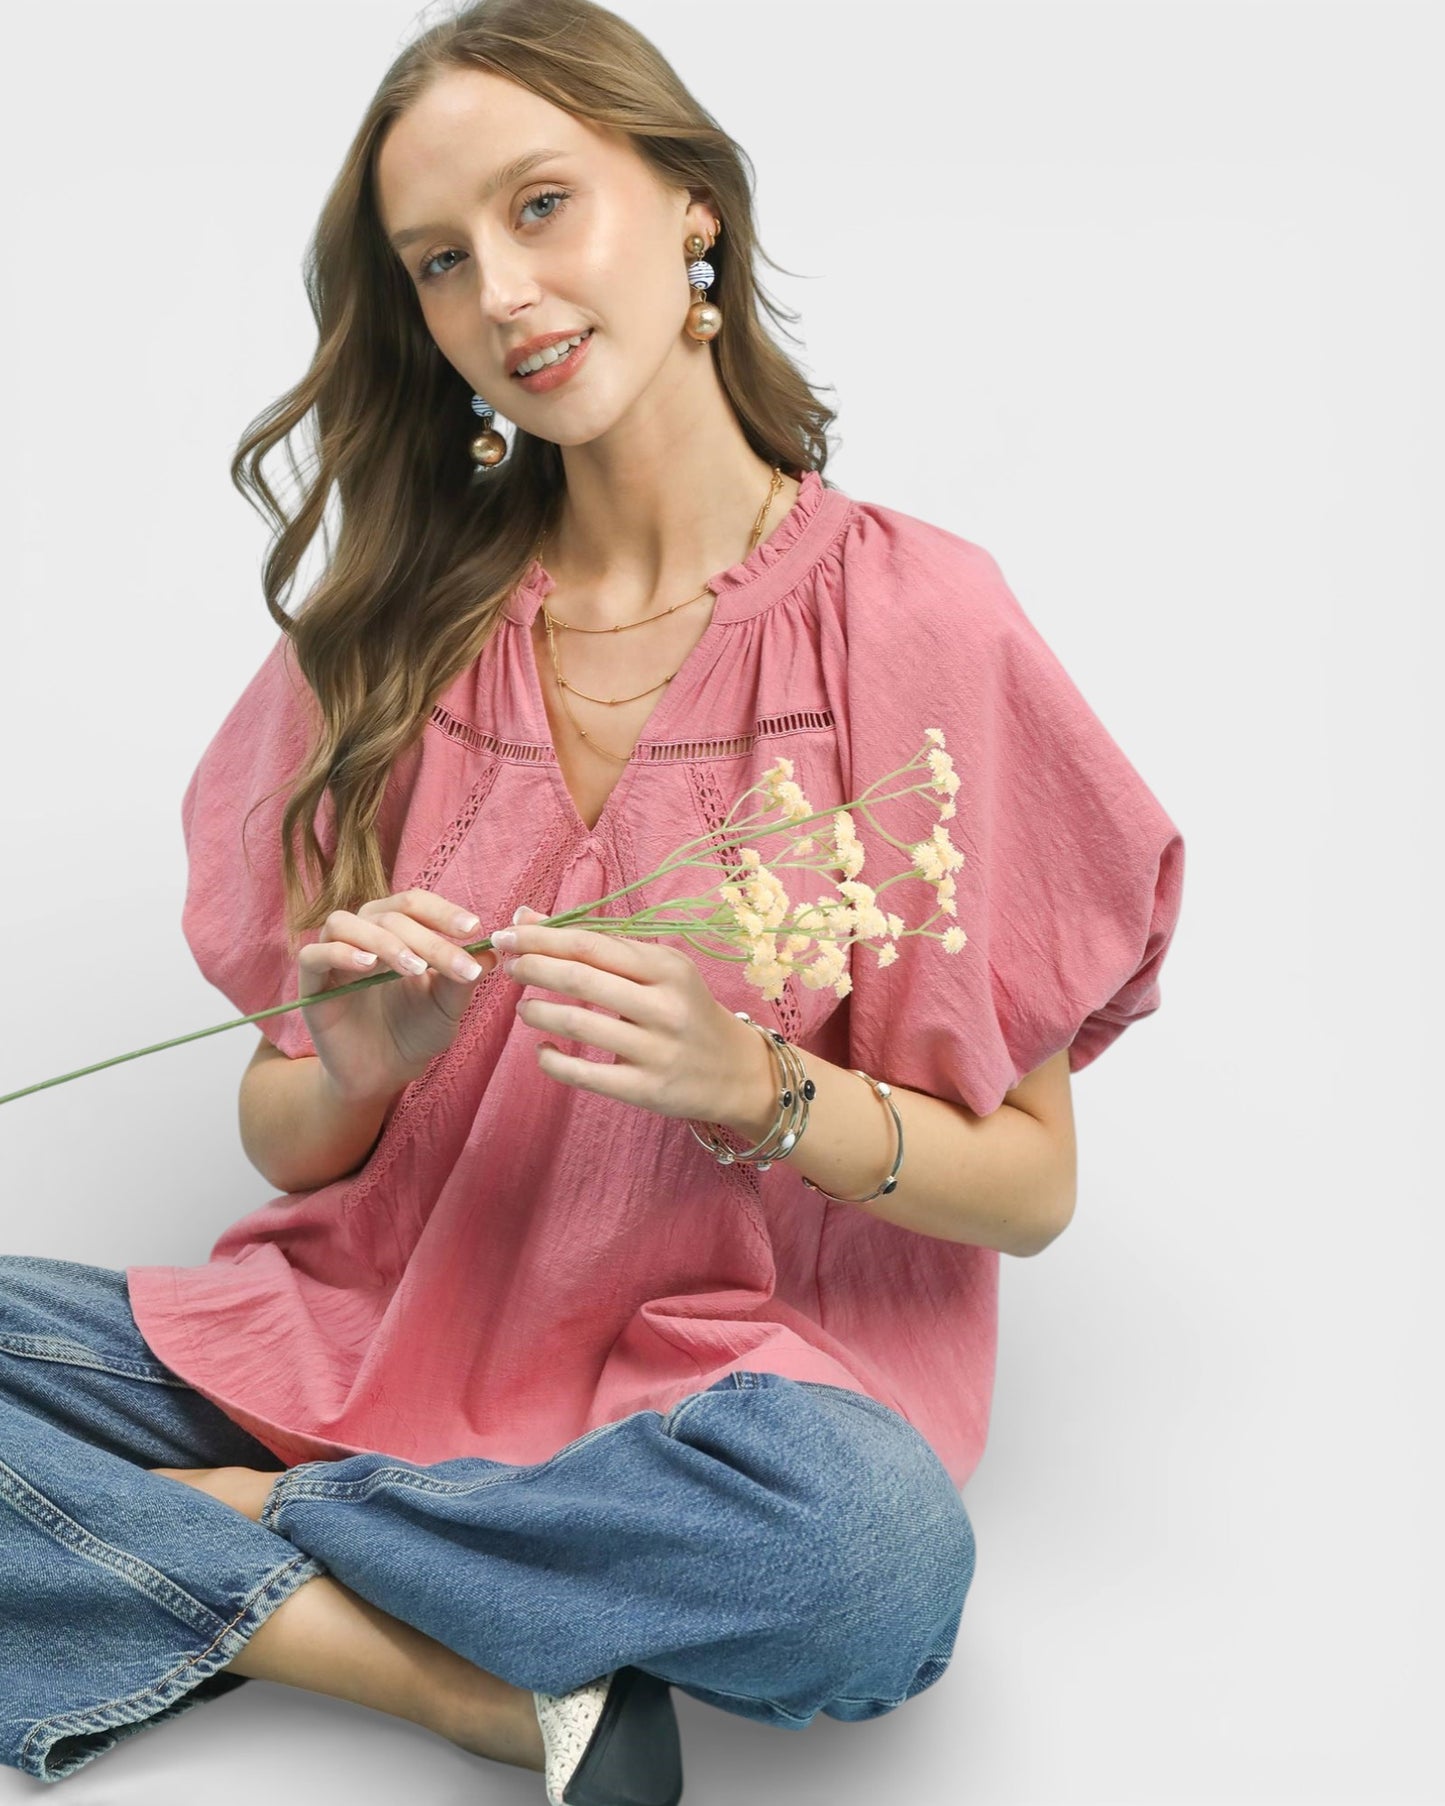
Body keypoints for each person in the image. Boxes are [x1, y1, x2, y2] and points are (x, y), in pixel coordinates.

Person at [0, 1, 1186, 1800]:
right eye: (441, 261)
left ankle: (199, 1536)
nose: (504, 295)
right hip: (352, 1330)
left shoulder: (920, 621)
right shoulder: (383, 640)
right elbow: (294, 1141)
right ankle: (459, 1682)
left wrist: (758, 1092)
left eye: (544, 206)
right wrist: (359, 1059)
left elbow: (1028, 1184)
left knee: (866, 1566)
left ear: (690, 200)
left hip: (709, 1414)